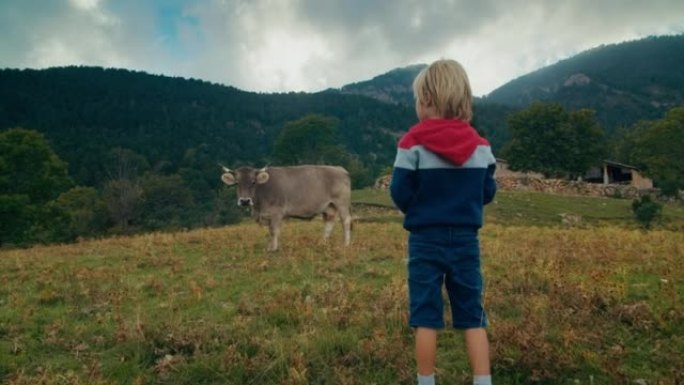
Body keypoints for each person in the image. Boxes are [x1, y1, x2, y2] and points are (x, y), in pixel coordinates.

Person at [389, 59, 496, 385]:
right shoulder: (481, 146)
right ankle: (482, 380)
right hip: (465, 240)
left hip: (424, 239)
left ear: (428, 100)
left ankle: (426, 381)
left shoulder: (411, 143)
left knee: (425, 315)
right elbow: (487, 191)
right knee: (473, 314)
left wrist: (421, 209)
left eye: (418, 99)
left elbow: (399, 192)